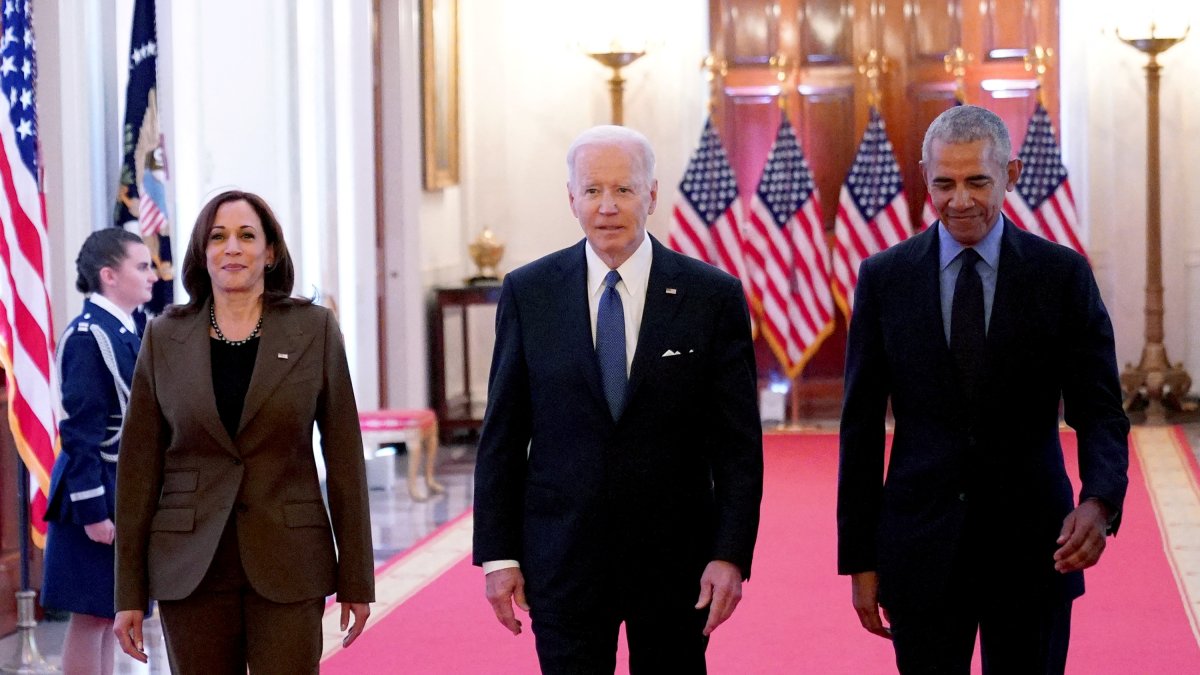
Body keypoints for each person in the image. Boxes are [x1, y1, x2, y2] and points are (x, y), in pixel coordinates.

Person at [837, 105, 1130, 674]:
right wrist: (861, 559)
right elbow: (861, 428)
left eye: (978, 181)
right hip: (919, 549)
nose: (960, 200)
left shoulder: (1061, 276)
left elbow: (1100, 410)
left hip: (1035, 548)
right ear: (926, 178)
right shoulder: (884, 278)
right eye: (944, 183)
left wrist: (1099, 501)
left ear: (1012, 174)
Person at [472, 125, 764, 674]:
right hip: (561, 560)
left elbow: (738, 448)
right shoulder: (529, 292)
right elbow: (503, 436)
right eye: (592, 191)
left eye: (624, 190)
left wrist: (730, 554)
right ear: (571, 199)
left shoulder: (711, 296)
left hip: (677, 564)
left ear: (652, 195)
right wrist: (499, 554)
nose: (607, 207)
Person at [112, 190, 374, 674]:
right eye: (218, 237)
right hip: (189, 565)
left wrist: (357, 578)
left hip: (289, 560)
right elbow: (138, 471)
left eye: (247, 236)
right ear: (202, 252)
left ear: (270, 252)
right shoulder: (164, 336)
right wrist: (127, 591)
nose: (232, 247)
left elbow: (344, 460)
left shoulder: (313, 330)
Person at [42, 228, 155, 675]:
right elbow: (81, 431)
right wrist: (93, 511)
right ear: (109, 275)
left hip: (123, 486)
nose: (152, 275)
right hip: (93, 490)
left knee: (111, 613)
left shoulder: (129, 329)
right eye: (142, 266)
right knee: (91, 614)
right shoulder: (90, 336)